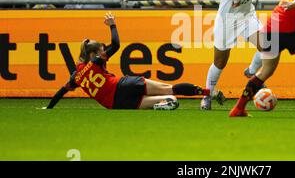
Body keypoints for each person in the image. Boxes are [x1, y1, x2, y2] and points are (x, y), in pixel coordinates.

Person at [43, 12, 212, 110]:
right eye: (102, 49)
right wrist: (112, 24)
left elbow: (60, 92)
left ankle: (166, 105)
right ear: (94, 52)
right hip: (123, 85)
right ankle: (207, 92)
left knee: (171, 100)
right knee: (170, 89)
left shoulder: (76, 76)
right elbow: (116, 44)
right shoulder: (95, 61)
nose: (105, 50)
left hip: (117, 104)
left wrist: (48, 107)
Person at [200, 0, 269, 110]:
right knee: (220, 62)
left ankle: (252, 71)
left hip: (247, 17)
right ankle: (207, 95)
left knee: (267, 45)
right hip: (227, 21)